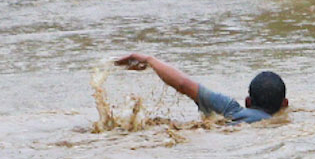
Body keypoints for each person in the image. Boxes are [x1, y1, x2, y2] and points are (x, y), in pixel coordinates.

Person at [113, 53, 286, 124]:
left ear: (248, 102)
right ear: (285, 104)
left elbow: (183, 84)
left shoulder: (231, 109)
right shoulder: (277, 125)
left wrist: (149, 60)